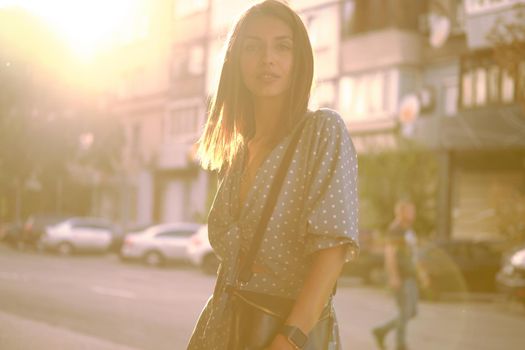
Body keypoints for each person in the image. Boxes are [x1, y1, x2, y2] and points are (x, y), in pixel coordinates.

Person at [186, 1, 359, 349]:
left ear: (299, 61)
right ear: (236, 60)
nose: (268, 58)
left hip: (285, 335)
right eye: (253, 46)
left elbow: (333, 250)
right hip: (224, 328)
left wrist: (291, 338)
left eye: (282, 46)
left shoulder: (322, 130)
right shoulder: (238, 151)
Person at [372, 200, 430, 350]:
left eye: (413, 211)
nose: (413, 214)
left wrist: (422, 275)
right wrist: (393, 276)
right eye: (410, 211)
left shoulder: (409, 230)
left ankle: (381, 331)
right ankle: (400, 345)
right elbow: (390, 254)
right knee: (405, 311)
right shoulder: (395, 230)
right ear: (401, 212)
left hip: (411, 276)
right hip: (402, 277)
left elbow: (413, 255)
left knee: (412, 312)